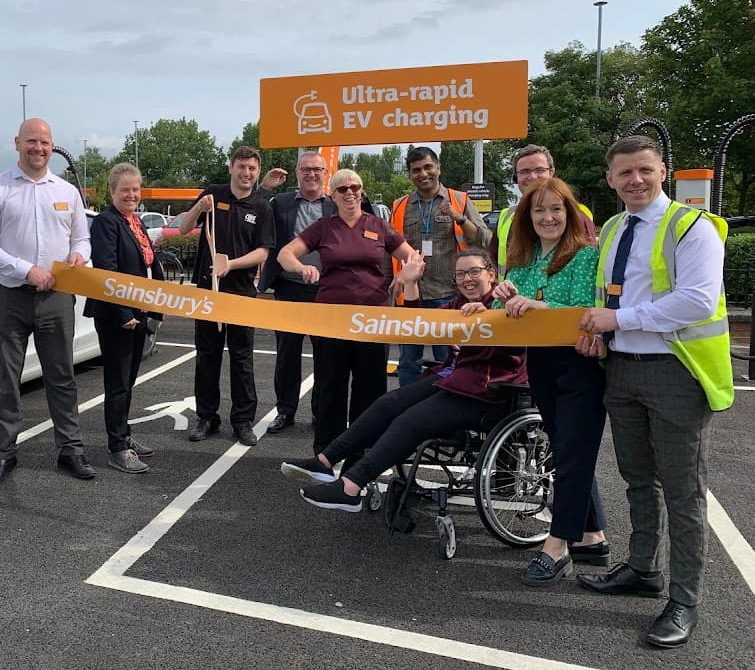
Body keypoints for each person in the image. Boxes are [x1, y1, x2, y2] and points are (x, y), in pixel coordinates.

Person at [574, 135, 732, 649]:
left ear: (662, 171)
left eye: (644, 170)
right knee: (637, 478)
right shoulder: (615, 227)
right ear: (610, 180)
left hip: (675, 373)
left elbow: (698, 300)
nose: (635, 180)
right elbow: (603, 293)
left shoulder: (693, 227)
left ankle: (685, 600)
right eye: (624, 173)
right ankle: (643, 569)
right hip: (622, 368)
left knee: (684, 491)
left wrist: (618, 318)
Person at [280, 246, 527, 511]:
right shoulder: (459, 304)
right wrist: (410, 282)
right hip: (452, 380)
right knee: (389, 403)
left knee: (410, 420)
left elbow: (517, 348)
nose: (467, 279)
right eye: (461, 274)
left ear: (491, 274)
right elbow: (418, 324)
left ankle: (351, 486)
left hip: (486, 391)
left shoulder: (503, 303)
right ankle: (325, 460)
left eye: (474, 272)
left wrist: (495, 311)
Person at [491, 177, 609, 586]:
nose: (547, 217)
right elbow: (500, 307)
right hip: (541, 362)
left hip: (579, 363)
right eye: (539, 210)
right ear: (528, 216)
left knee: (572, 452)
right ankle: (593, 537)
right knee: (565, 449)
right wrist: (500, 293)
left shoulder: (584, 254)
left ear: (569, 213)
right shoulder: (522, 259)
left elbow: (583, 308)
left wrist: (538, 305)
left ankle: (557, 546)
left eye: (556, 209)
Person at [0, 117, 96, 485]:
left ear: (52, 146)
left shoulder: (67, 191)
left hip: (57, 297)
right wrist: (27, 270)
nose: (38, 149)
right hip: (9, 297)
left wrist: (78, 257)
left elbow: (81, 240)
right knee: (7, 379)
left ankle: (70, 449)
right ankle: (5, 453)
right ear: (17, 143)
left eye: (44, 143)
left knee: (62, 376)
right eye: (31, 142)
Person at [277, 169, 416, 457]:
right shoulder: (324, 227)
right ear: (333, 195)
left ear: (362, 191)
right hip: (332, 320)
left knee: (371, 387)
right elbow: (285, 254)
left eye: (355, 187)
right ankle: (327, 453)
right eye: (343, 189)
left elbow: (413, 257)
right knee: (330, 386)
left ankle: (363, 454)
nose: (350, 192)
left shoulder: (379, 225)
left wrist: (408, 274)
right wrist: (302, 267)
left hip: (372, 320)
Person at [182, 145, 275, 446]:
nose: (246, 173)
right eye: (241, 167)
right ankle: (206, 417)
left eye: (252, 168)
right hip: (208, 290)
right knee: (207, 356)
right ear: (231, 168)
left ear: (257, 172)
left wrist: (231, 265)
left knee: (242, 357)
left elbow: (263, 251)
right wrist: (198, 208)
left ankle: (243, 420)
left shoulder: (262, 205)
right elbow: (184, 228)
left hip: (241, 291)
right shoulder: (214, 193)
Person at [85, 163, 164, 474]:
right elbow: (108, 271)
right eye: (125, 190)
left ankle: (124, 434)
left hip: (139, 312)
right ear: (112, 192)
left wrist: (157, 305)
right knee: (117, 383)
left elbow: (149, 265)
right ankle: (117, 447)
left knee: (128, 381)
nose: (131, 195)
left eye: (135, 189)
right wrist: (123, 313)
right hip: (118, 315)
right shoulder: (106, 223)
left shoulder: (135, 222)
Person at [391, 146, 491, 386]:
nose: (423, 174)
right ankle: (407, 410)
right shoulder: (400, 205)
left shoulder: (460, 200)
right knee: (408, 362)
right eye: (416, 170)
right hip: (411, 296)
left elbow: (485, 239)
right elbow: (390, 247)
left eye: (428, 167)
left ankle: (443, 407)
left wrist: (461, 219)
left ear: (438, 168)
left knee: (448, 360)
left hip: (447, 295)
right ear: (410, 174)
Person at [256, 151, 337, 434]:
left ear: (325, 172)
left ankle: (320, 413)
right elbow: (253, 209)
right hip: (289, 287)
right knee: (286, 355)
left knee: (325, 357)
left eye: (317, 170)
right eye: (306, 170)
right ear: (298, 172)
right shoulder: (281, 203)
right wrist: (264, 188)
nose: (311, 174)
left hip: (326, 291)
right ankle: (285, 411)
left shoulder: (335, 205)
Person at [491, 144, 596, 275]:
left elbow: (587, 268)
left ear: (552, 172)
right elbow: (493, 262)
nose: (533, 177)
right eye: (524, 171)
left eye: (539, 170)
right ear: (516, 178)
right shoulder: (506, 216)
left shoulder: (576, 213)